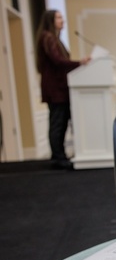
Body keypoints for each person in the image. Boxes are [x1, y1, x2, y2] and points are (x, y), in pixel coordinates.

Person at [36, 9, 90, 169]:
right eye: (58, 18)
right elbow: (58, 61)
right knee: (58, 122)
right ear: (50, 20)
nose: (62, 20)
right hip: (56, 88)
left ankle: (59, 155)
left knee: (60, 122)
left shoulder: (53, 38)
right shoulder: (48, 37)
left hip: (58, 87)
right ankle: (58, 157)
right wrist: (79, 63)